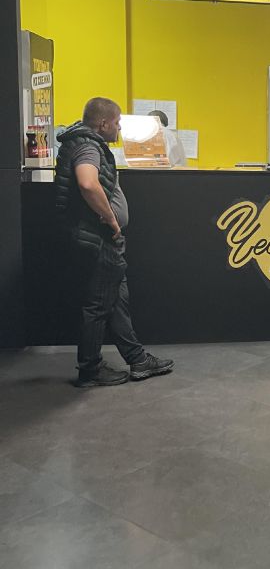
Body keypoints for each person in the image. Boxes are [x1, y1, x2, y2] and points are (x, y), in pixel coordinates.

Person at [56, 97, 175, 386]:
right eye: (117, 122)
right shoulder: (88, 146)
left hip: (98, 238)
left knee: (117, 300)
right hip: (99, 239)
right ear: (103, 123)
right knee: (98, 305)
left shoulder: (82, 142)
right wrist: (110, 218)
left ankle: (137, 360)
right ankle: (90, 370)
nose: (120, 128)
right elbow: (87, 182)